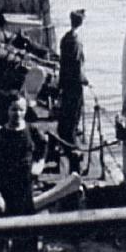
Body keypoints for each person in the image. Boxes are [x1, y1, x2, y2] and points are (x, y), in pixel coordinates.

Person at [0, 96, 46, 252]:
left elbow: (43, 146)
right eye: (14, 109)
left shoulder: (31, 131)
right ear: (7, 110)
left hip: (25, 192)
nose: (17, 113)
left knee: (27, 237)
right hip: (5, 192)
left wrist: (39, 163)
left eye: (21, 110)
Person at [57, 9, 89, 173]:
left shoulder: (65, 38)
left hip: (66, 84)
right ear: (81, 22)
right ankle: (74, 160)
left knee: (66, 120)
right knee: (73, 120)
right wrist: (85, 80)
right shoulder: (76, 41)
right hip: (75, 86)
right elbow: (76, 65)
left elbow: (64, 64)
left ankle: (66, 154)